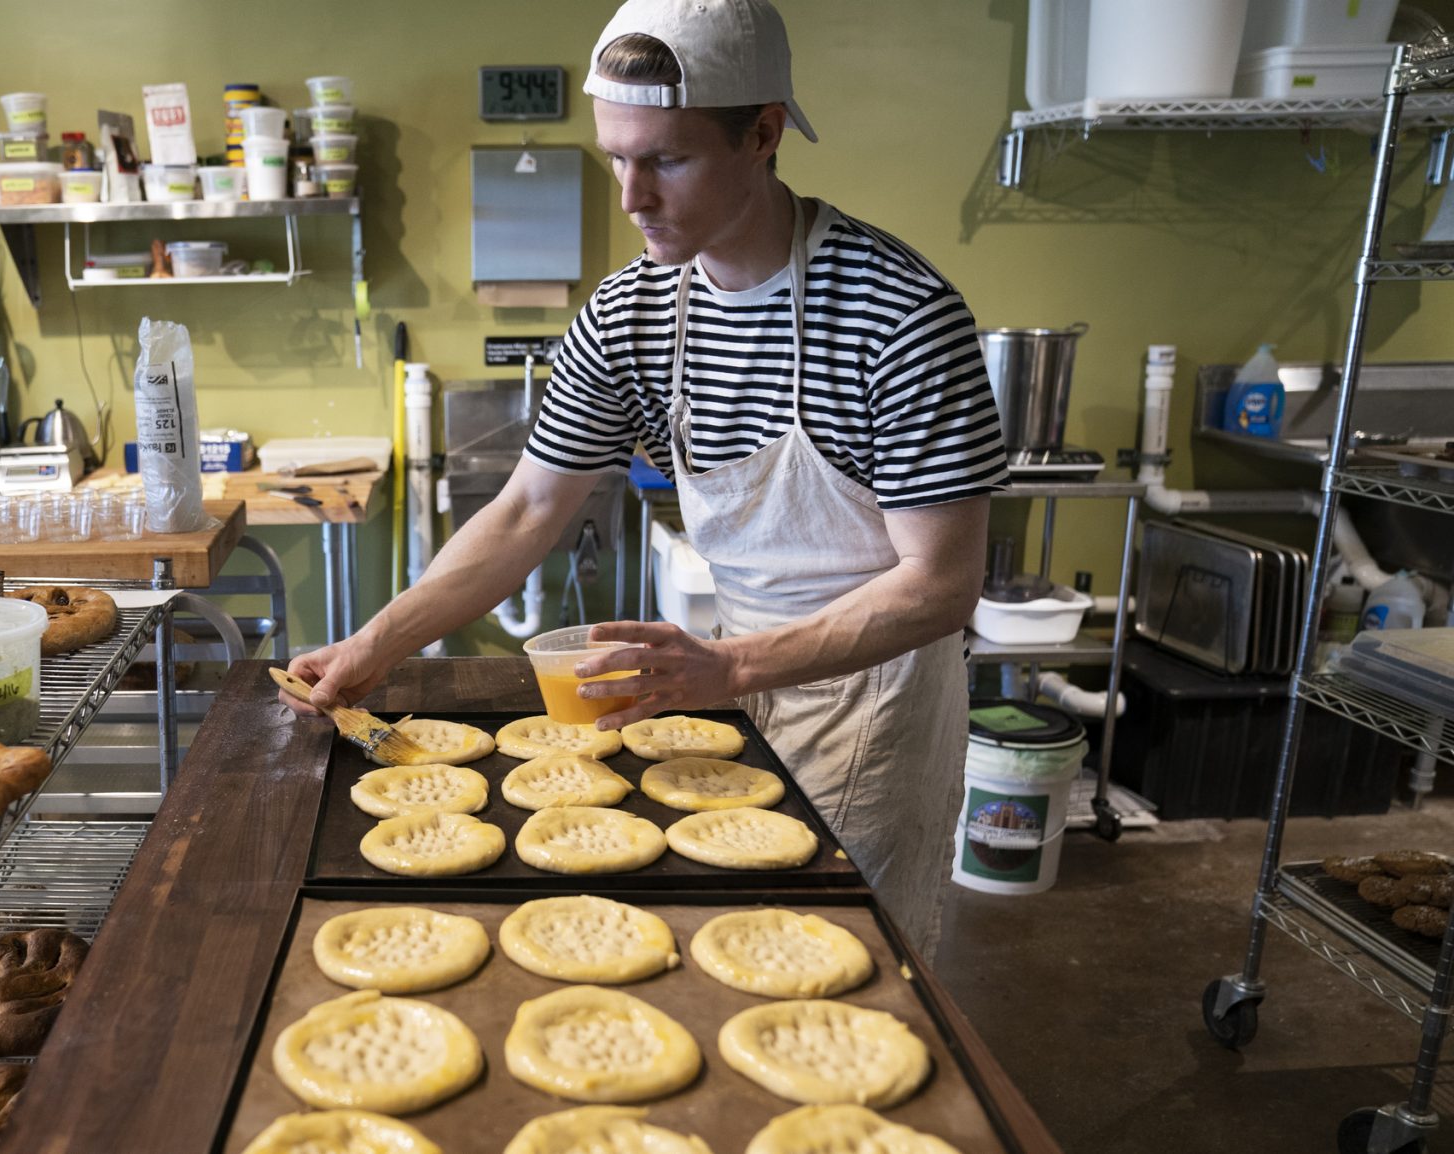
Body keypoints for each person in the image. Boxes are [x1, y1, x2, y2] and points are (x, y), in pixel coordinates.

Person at [285, 0, 1007, 956]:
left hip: (874, 697)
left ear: (762, 134)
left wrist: (733, 667)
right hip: (730, 674)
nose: (631, 196)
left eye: (665, 159)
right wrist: (381, 643)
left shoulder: (896, 313)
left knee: (844, 959)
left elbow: (942, 585)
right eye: (615, 158)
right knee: (719, 944)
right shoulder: (631, 312)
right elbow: (528, 510)